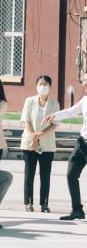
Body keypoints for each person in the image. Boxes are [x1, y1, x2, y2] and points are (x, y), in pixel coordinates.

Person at [20, 76, 59, 213]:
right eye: (40, 84)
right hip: (30, 143)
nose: (42, 86)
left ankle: (44, 204)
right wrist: (34, 136)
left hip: (47, 144)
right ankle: (29, 202)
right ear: (36, 85)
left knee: (45, 176)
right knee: (29, 175)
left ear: (50, 86)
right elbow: (26, 121)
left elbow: (55, 124)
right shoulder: (29, 101)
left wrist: (40, 135)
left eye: (45, 84)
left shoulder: (54, 104)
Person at [48, 92, 87, 220]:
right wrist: (55, 115)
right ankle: (77, 210)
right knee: (71, 175)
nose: (85, 86)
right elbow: (71, 111)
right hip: (82, 143)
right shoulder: (85, 100)